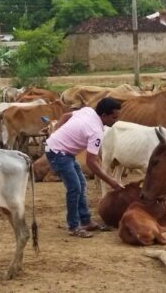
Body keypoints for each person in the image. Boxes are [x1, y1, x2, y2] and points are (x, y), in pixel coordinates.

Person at [45, 97, 123, 238]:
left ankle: (86, 221)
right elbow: (91, 163)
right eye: (114, 117)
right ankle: (74, 226)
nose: (115, 121)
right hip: (58, 153)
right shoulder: (96, 132)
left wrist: (56, 132)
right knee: (74, 187)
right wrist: (112, 182)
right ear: (104, 115)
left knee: (81, 183)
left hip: (62, 151)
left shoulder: (88, 111)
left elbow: (65, 116)